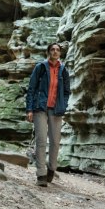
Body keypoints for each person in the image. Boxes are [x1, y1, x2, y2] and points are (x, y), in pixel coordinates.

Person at [25, 43, 71, 187]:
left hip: (56, 110)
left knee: (55, 142)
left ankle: (51, 169)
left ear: (60, 53)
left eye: (57, 50)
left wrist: (63, 104)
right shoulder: (41, 67)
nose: (55, 52)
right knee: (41, 141)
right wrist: (29, 109)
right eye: (53, 49)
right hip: (40, 108)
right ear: (48, 52)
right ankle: (41, 174)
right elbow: (31, 89)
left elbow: (66, 92)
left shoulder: (63, 70)